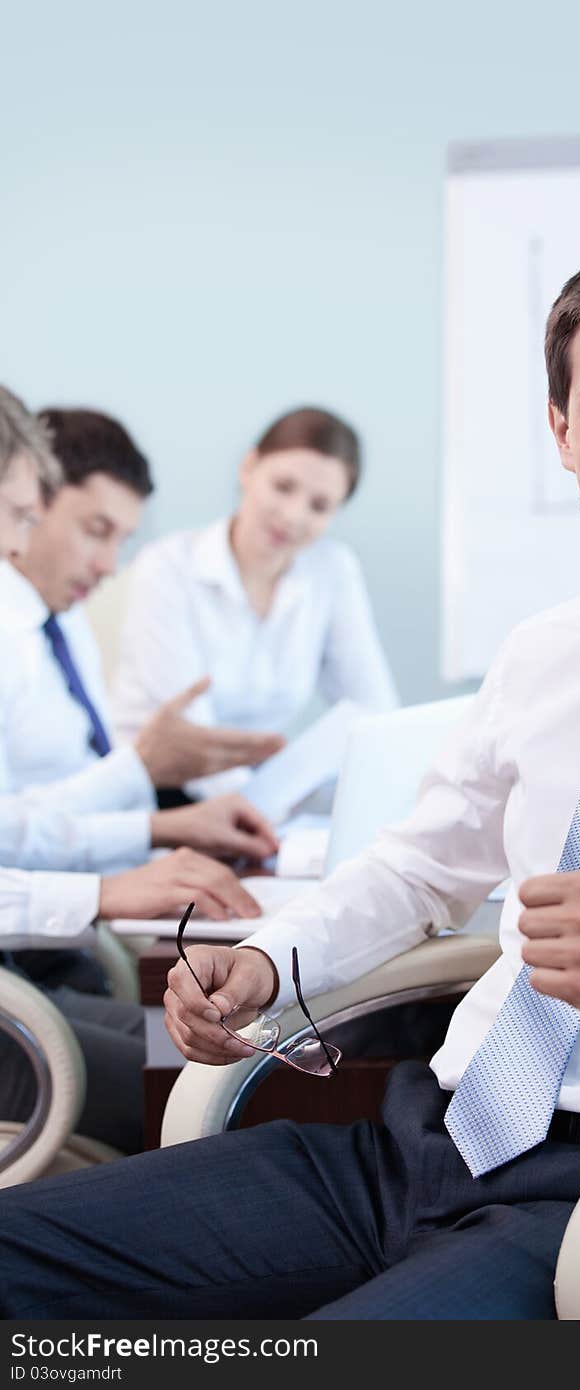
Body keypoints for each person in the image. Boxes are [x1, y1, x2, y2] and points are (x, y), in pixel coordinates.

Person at [2, 244, 580, 1320]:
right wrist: (264, 967)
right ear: (562, 431)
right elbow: (418, 867)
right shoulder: (541, 653)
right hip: (425, 1143)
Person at [0, 388, 271, 1153]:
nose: (14, 550)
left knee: (234, 1057)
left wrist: (156, 824)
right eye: (18, 515)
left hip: (35, 956)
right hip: (27, 963)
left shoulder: (55, 623)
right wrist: (110, 879)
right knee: (216, 1091)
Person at [111, 405, 398, 802]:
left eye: (319, 506)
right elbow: (193, 737)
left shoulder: (332, 570)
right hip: (155, 794)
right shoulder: (167, 566)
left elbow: (373, 711)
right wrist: (260, 809)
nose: (294, 516)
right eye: (283, 487)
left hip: (258, 793)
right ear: (249, 468)